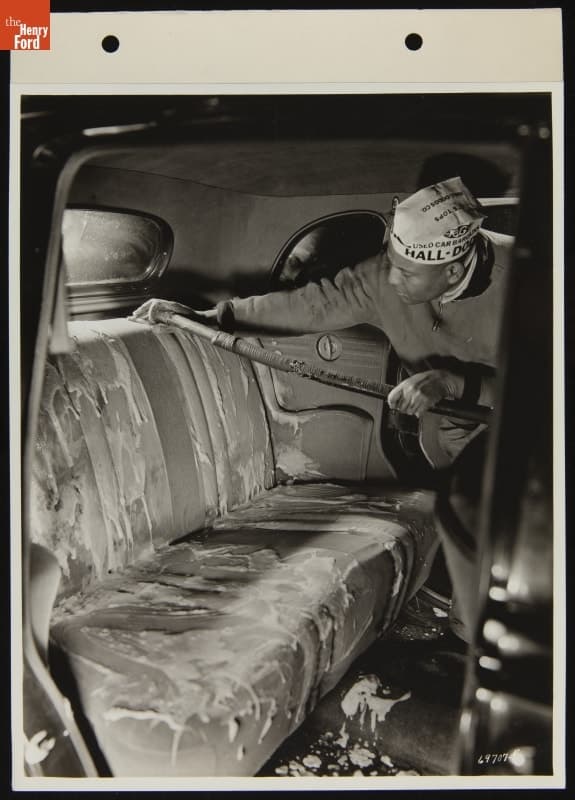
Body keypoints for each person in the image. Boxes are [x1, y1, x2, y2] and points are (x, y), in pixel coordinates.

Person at [132, 176, 514, 465]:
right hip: (449, 435)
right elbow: (308, 305)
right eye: (391, 265)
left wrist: (452, 382)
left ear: (452, 272)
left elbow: (549, 387)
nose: (391, 280)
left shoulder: (534, 281)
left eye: (408, 274)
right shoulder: (384, 277)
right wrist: (212, 317)